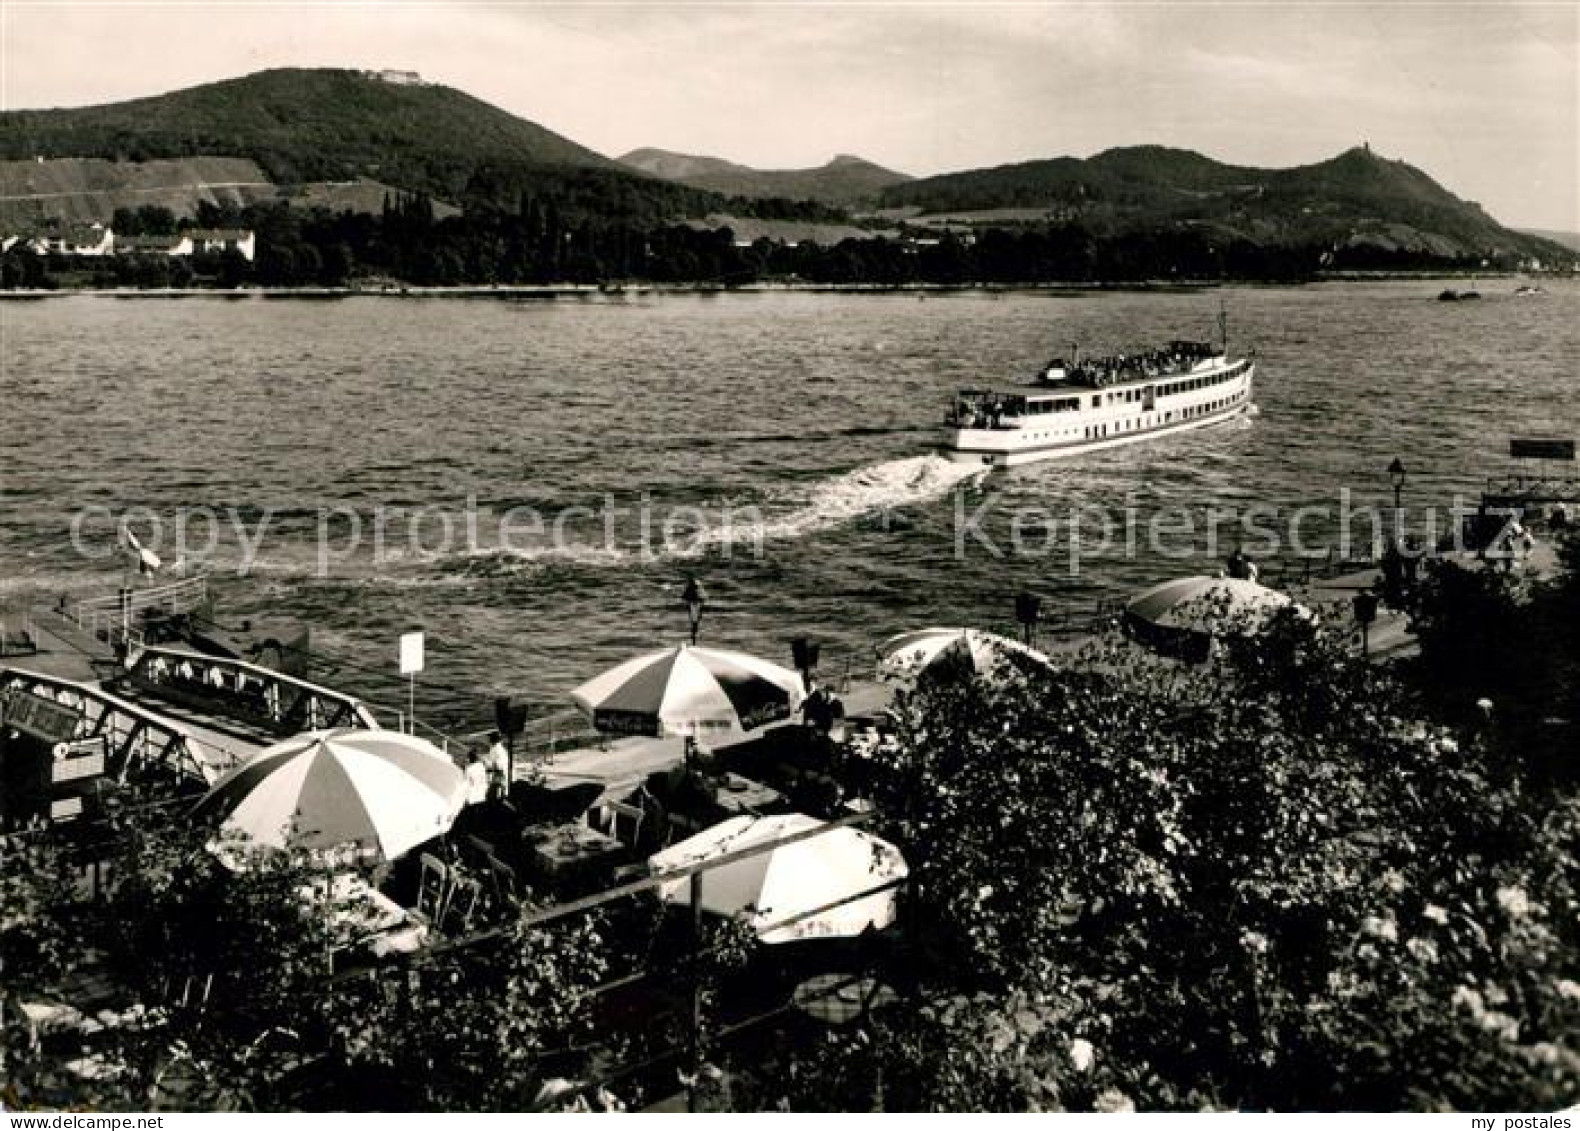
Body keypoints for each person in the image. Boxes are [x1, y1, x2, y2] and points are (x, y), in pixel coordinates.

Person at [483, 731, 510, 801]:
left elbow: (498, 766)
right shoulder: (499, 749)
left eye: (490, 738)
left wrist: (487, 765)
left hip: (499, 779)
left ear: (493, 739)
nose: (488, 740)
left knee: (493, 798)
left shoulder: (496, 750)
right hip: (500, 778)